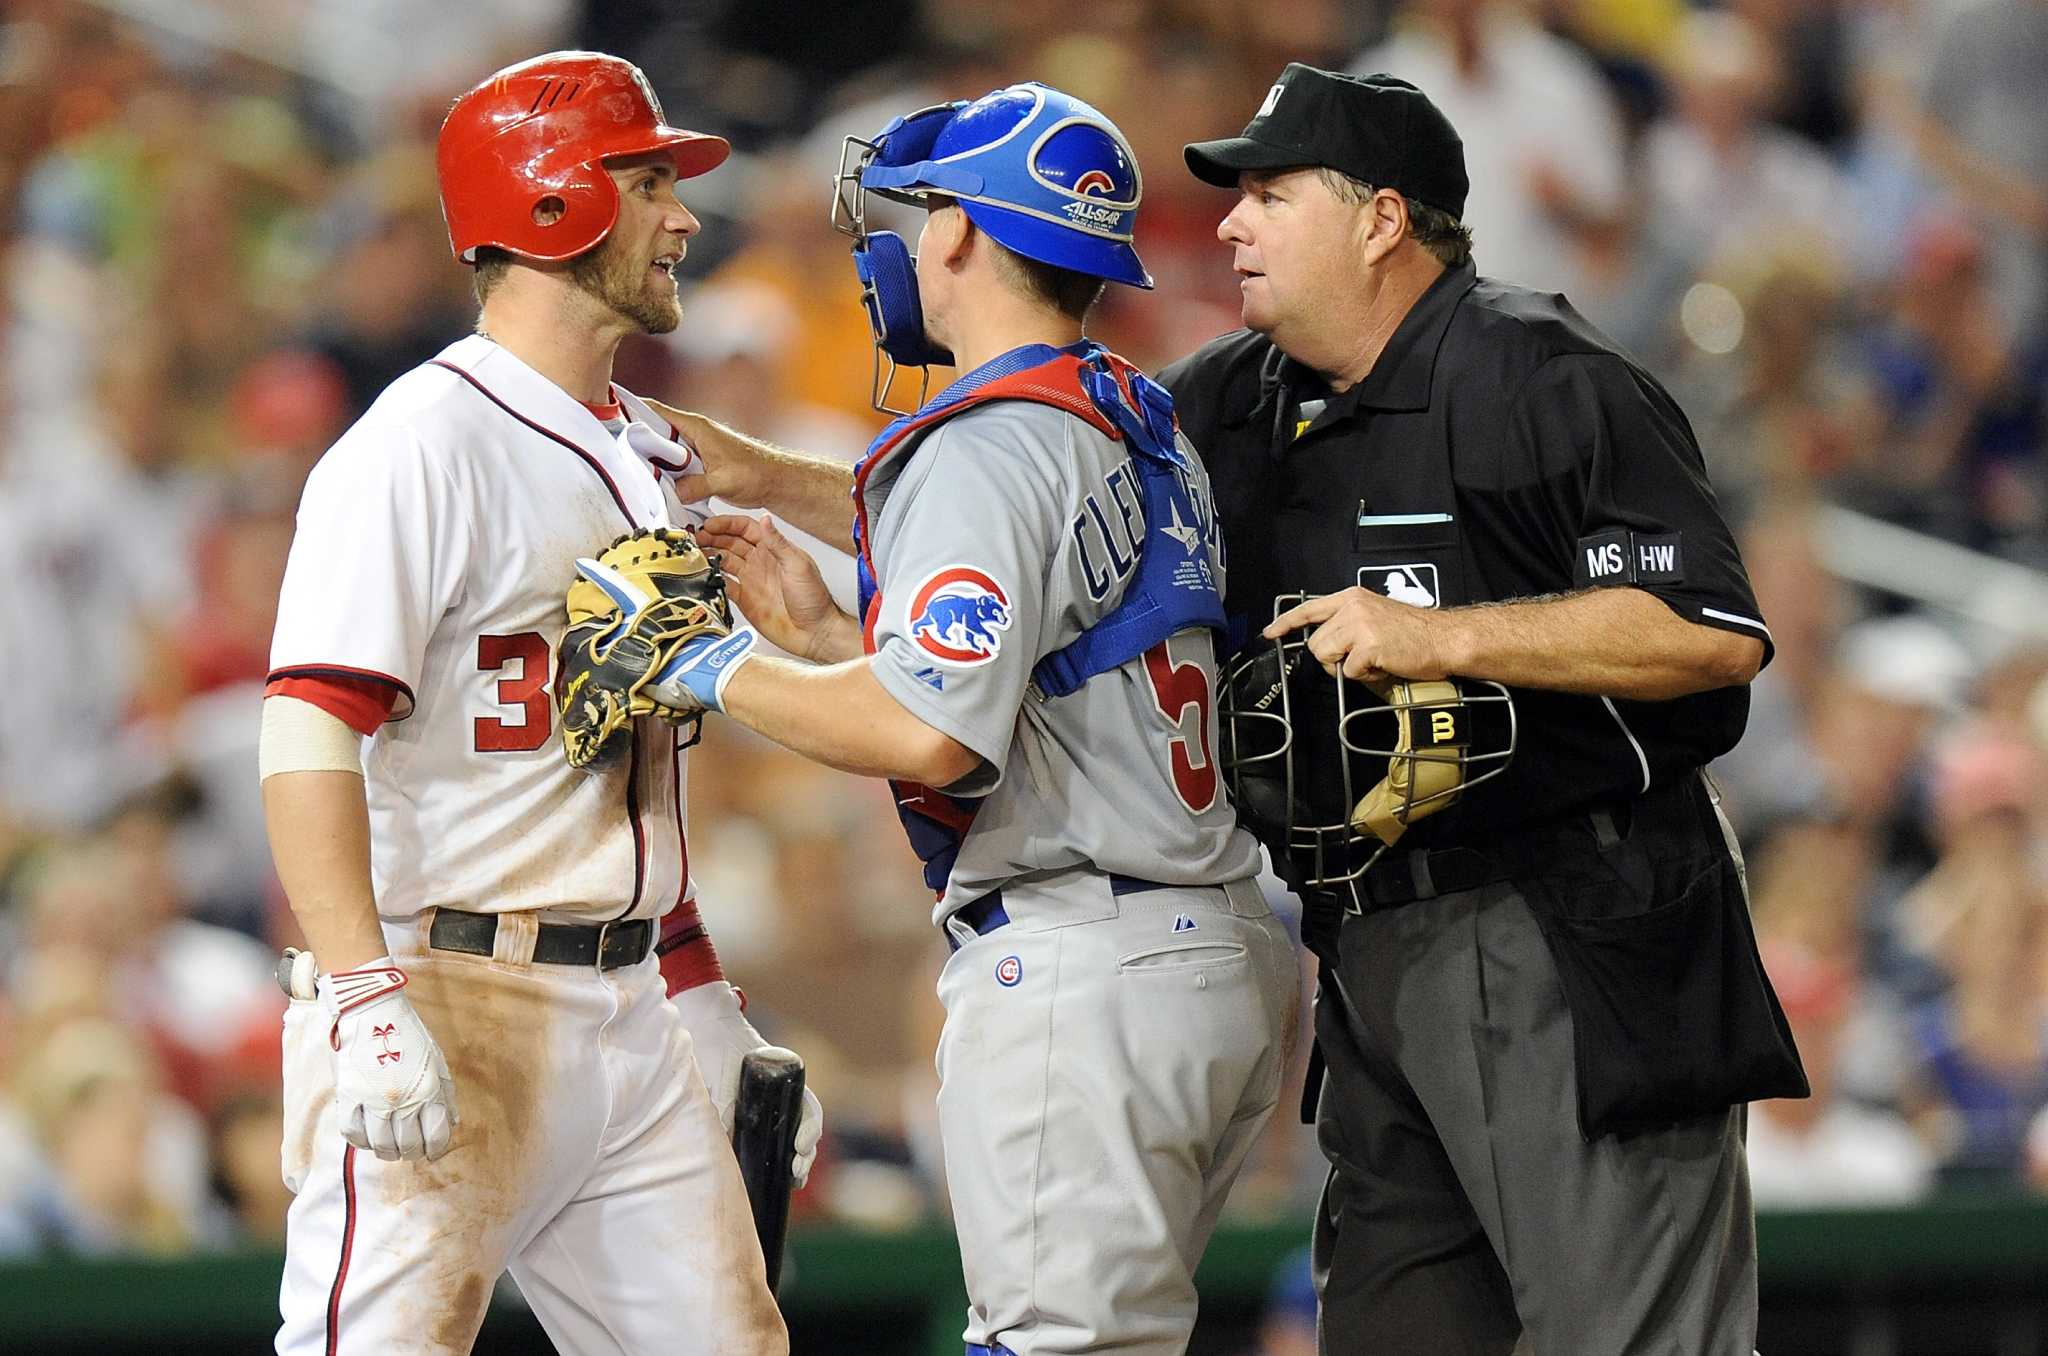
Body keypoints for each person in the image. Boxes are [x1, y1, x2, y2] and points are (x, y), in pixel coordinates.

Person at [637, 83, 1299, 1355]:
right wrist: (831, 635)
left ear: (957, 234)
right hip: (1203, 949)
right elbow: (1036, 665)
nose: (898, 236)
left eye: (923, 208)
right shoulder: (1123, 412)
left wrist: (704, 662)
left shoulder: (988, 444)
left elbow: (939, 737)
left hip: (1085, 959)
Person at [1160, 65, 1807, 1353]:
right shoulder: (1236, 397)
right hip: (1369, 944)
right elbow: (1028, 498)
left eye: (1269, 195)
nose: (1229, 223)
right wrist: (780, 485)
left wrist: (1442, 633)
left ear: (1380, 219)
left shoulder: (1537, 375)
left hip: (1577, 922)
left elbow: (1709, 632)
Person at [259, 51, 817, 1356]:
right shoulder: (418, 441)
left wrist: (697, 988)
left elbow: (625, 767)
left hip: (627, 1008)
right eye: (650, 182)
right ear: (555, 200)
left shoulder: (639, 452)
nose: (682, 216)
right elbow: (304, 728)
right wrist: (361, 993)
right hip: (450, 993)